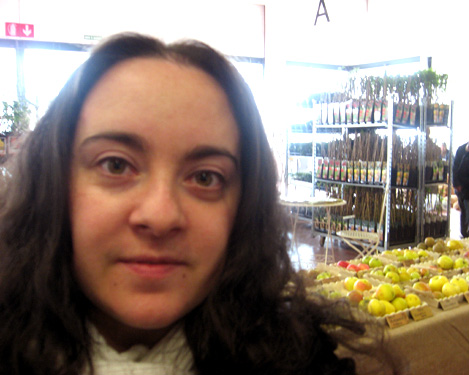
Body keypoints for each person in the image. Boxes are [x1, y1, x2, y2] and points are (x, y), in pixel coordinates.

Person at [0, 33, 402, 375]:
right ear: (54, 183)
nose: (159, 216)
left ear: (244, 207)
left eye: (205, 177)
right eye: (116, 165)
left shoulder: (297, 359)